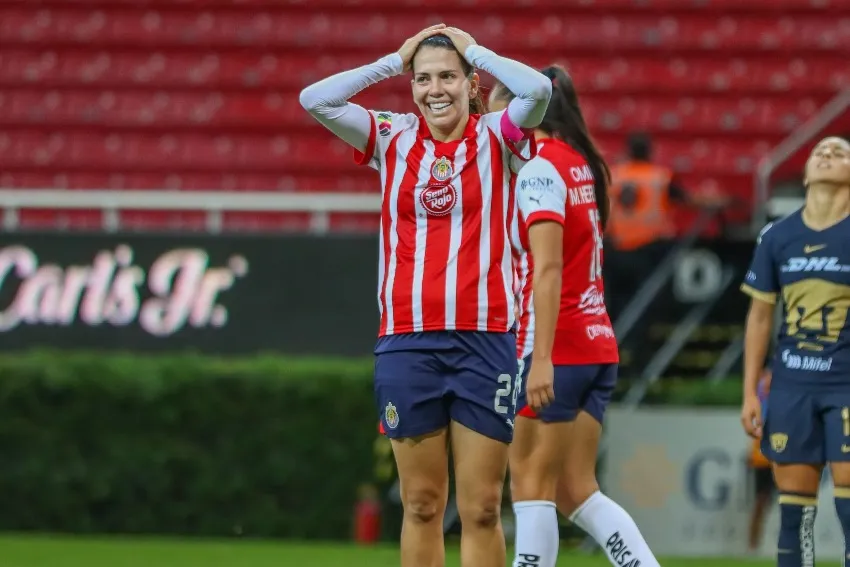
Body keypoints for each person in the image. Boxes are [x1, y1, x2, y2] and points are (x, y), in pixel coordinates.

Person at [300, 24, 551, 567]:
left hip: (485, 342)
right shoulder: (392, 137)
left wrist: (474, 48)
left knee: (482, 507)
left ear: (471, 83)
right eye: (423, 80)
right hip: (406, 343)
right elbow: (315, 99)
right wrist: (394, 60)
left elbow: (538, 91)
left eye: (447, 78)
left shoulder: (499, 136)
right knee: (420, 504)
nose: (435, 90)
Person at [489, 66, 661, 567]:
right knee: (575, 490)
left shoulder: (539, 167)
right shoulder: (581, 164)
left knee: (529, 482)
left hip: (556, 344)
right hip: (594, 340)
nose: (491, 119)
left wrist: (539, 358)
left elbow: (547, 269)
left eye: (498, 105)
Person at [740, 136, 850, 567]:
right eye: (819, 151)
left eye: (840, 152)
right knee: (793, 514)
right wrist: (751, 392)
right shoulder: (777, 235)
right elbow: (760, 317)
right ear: (805, 175)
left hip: (845, 385)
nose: (827, 154)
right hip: (791, 387)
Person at [747, 367, 775, 553]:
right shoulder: (764, 378)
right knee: (760, 502)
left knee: (793, 501)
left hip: (781, 450)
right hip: (763, 455)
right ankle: (753, 547)